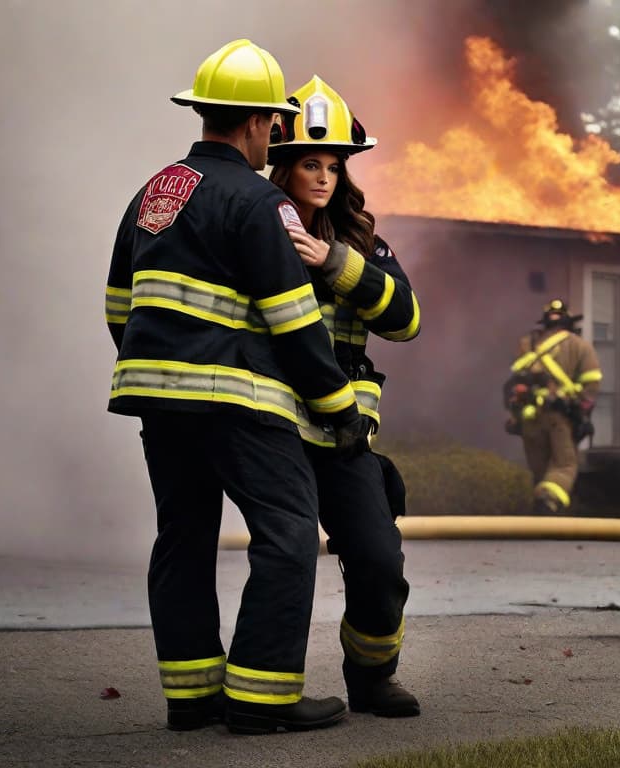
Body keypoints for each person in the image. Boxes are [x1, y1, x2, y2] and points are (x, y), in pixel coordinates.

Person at [104, 40, 373, 735]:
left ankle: (191, 696)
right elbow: (293, 318)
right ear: (258, 122)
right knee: (286, 534)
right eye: (274, 125)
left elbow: (117, 303)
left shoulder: (153, 192)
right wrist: (340, 408)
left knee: (183, 536)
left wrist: (161, 370)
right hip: (237, 400)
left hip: (158, 398)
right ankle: (262, 698)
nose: (274, 137)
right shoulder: (260, 202)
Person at [267, 76, 421, 717]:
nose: (325, 177)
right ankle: (268, 692)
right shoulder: (256, 228)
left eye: (334, 165)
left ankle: (371, 674)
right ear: (283, 164)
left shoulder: (361, 242)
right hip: (272, 425)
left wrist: (334, 261)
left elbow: (406, 320)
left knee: (380, 559)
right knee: (285, 559)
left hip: (345, 434)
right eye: (311, 163)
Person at [503, 299, 602, 515]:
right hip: (559, 417)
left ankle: (545, 518)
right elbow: (592, 384)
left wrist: (515, 415)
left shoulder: (527, 346)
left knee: (541, 471)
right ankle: (548, 504)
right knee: (565, 465)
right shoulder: (579, 346)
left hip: (529, 418)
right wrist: (581, 412)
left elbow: (512, 384)